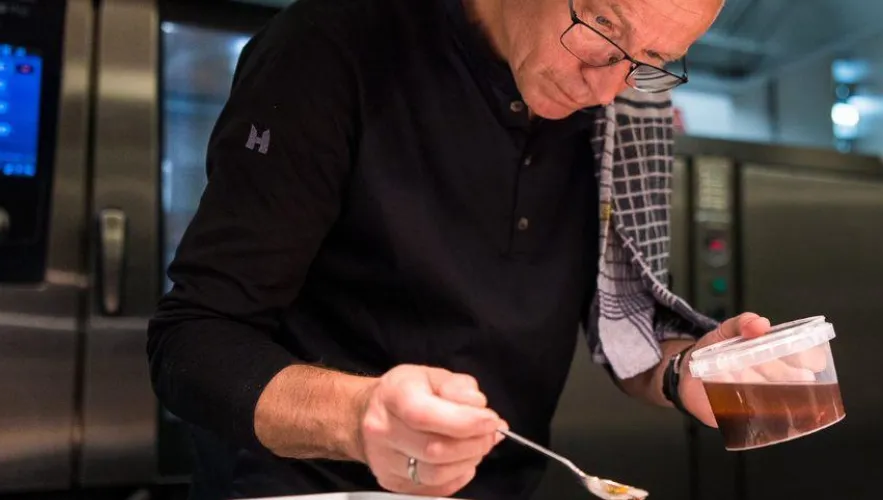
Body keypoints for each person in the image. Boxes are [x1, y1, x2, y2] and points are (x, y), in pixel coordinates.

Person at [144, 0, 767, 499]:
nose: (608, 90)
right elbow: (195, 340)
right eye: (602, 25)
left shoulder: (631, 106)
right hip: (300, 486)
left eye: (656, 58)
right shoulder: (334, 45)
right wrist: (361, 415)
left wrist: (692, 370)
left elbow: (625, 324)